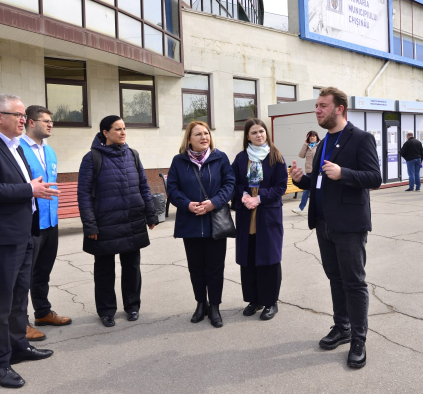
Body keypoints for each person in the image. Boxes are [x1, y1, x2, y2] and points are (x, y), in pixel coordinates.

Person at [0, 94, 57, 389]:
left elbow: (24, 187)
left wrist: (34, 190)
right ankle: (0, 364)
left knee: (20, 297)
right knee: (2, 304)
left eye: (23, 115)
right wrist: (29, 189)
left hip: (23, 233)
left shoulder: (16, 146)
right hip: (0, 237)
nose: (23, 119)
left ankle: (19, 347)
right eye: (17, 115)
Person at [291, 86, 381, 369]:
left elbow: (375, 178)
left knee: (353, 281)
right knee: (335, 278)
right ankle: (341, 327)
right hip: (323, 222)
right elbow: (319, 181)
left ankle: (358, 337)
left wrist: (345, 174)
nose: (317, 110)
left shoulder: (360, 138)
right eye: (316, 106)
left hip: (349, 223)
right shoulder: (324, 142)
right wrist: (300, 179)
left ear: (339, 108)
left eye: (322, 106)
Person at [77, 115, 158, 327]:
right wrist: (90, 226)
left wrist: (151, 214)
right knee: (104, 270)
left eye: (124, 128)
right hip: (105, 224)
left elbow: (143, 186)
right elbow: (84, 195)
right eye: (117, 129)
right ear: (105, 133)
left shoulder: (133, 155)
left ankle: (132, 306)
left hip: (132, 221)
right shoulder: (92, 158)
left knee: (132, 267)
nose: (123, 132)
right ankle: (106, 311)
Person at [166, 121, 235, 328]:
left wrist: (214, 203)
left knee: (215, 267)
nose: (204, 137)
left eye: (206, 133)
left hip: (215, 222)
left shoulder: (220, 157)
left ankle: (214, 306)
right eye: (198, 134)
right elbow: (172, 188)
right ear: (189, 139)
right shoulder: (179, 161)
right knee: (195, 268)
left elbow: (229, 184)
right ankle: (200, 303)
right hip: (190, 222)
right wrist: (187, 205)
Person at [19, 105, 71, 342]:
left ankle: (42, 312)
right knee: (24, 276)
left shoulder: (49, 151)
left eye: (52, 121)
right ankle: (21, 322)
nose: (50, 124)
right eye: (46, 121)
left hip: (50, 221)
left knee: (43, 272)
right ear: (31, 122)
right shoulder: (18, 149)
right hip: (30, 223)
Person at [232, 119, 288, 321]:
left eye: (261, 131)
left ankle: (271, 302)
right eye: (254, 132)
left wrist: (260, 197)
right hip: (247, 213)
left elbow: (281, 186)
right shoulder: (240, 158)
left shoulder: (275, 156)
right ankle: (253, 300)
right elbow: (234, 182)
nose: (258, 135)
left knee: (269, 259)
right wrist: (244, 195)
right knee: (249, 259)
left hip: (267, 213)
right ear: (247, 136)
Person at [292, 131, 319, 214]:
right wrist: (305, 144)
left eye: (314, 136)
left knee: (318, 190)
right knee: (306, 190)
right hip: (309, 172)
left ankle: (318, 208)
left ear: (317, 137)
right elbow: (301, 155)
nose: (312, 137)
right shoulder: (307, 147)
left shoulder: (320, 145)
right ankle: (300, 208)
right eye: (310, 136)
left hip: (318, 172)